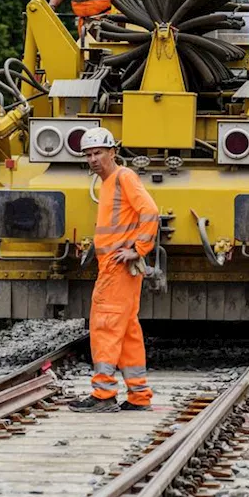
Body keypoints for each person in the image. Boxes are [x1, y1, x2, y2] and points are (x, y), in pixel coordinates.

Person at [70, 127, 160, 413]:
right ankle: (138, 395)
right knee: (128, 331)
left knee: (105, 327)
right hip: (118, 269)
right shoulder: (110, 182)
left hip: (117, 269)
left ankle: (104, 394)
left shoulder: (123, 177)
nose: (93, 159)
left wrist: (138, 249)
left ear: (113, 153)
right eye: (89, 155)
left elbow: (151, 212)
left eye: (98, 153)